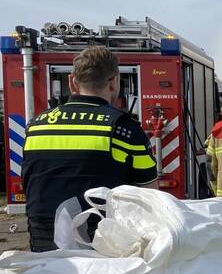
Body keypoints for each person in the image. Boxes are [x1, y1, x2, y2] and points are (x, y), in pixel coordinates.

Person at [21, 47, 159, 252]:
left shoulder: (36, 126)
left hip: (43, 241)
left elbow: (30, 182)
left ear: (72, 81)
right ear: (113, 82)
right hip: (102, 244)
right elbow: (150, 195)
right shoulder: (124, 129)